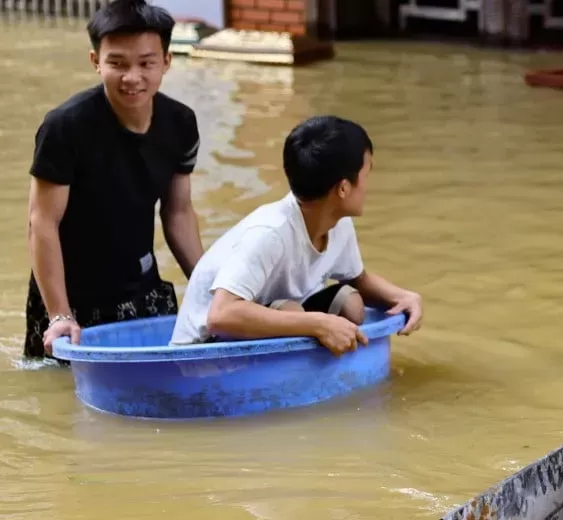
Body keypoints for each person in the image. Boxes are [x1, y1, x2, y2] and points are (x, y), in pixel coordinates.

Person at [26, 0, 204, 360]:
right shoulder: (65, 127)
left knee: (166, 385)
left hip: (144, 288)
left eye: (146, 63)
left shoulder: (181, 123)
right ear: (96, 62)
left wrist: (212, 290)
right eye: (117, 64)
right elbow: (42, 222)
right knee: (63, 400)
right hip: (71, 298)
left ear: (166, 61)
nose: (132, 77)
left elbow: (178, 213)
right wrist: (59, 314)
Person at [168, 115, 423, 352]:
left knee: (351, 304)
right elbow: (220, 316)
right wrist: (317, 324)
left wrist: (403, 297)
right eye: (367, 174)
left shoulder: (337, 222)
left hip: (263, 319)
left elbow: (358, 279)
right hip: (202, 350)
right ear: (343, 189)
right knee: (292, 310)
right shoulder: (270, 233)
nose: (368, 186)